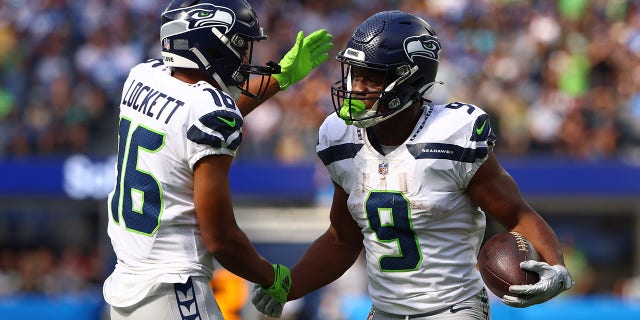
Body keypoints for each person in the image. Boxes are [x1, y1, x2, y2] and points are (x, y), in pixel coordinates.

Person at [251, 10, 573, 319]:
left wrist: (557, 268)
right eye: (354, 74)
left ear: (407, 80)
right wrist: (288, 286)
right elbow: (343, 240)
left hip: (452, 309)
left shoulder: (452, 136)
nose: (355, 88)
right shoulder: (340, 138)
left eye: (371, 78)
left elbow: (516, 213)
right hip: (385, 310)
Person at [102, 0, 332, 319]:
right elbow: (221, 240)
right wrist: (272, 277)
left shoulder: (141, 76)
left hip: (126, 287)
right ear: (212, 45)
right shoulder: (209, 113)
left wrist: (279, 77)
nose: (245, 57)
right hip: (174, 288)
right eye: (240, 45)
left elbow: (194, 113)